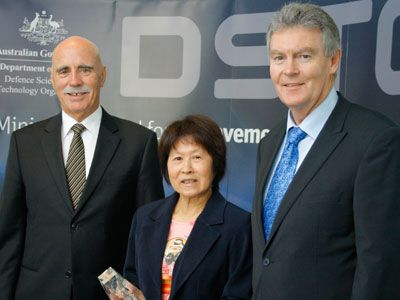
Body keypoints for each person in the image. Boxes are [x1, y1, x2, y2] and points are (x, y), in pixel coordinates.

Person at [252, 3, 400, 300]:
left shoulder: (376, 140)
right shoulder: (270, 142)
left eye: (304, 56)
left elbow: (379, 267)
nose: (289, 70)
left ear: (333, 60)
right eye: (279, 57)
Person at [0, 36, 164, 300]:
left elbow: (149, 236)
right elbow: (9, 235)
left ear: (103, 75)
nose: (74, 81)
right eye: (64, 71)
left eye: (85, 70)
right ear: (52, 79)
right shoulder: (24, 142)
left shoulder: (139, 143)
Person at [123, 115, 252, 300]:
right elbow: (133, 278)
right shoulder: (145, 217)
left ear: (215, 163)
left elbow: (238, 295)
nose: (186, 168)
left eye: (197, 157)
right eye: (177, 158)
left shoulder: (238, 225)